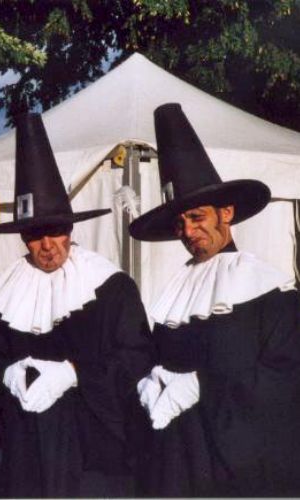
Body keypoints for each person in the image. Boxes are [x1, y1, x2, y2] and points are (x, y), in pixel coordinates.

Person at [0, 113, 154, 498]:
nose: (47, 246)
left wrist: (75, 373)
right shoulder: (8, 293)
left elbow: (137, 362)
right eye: (35, 235)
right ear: (23, 237)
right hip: (25, 458)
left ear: (70, 229)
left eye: (55, 232)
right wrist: (6, 374)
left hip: (93, 459)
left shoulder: (110, 287)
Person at [130, 103, 300, 496]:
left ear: (226, 213)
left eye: (197, 217)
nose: (188, 232)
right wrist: (150, 381)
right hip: (178, 462)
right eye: (180, 223)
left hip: (239, 469)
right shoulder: (177, 293)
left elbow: (286, 377)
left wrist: (203, 387)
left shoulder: (271, 291)